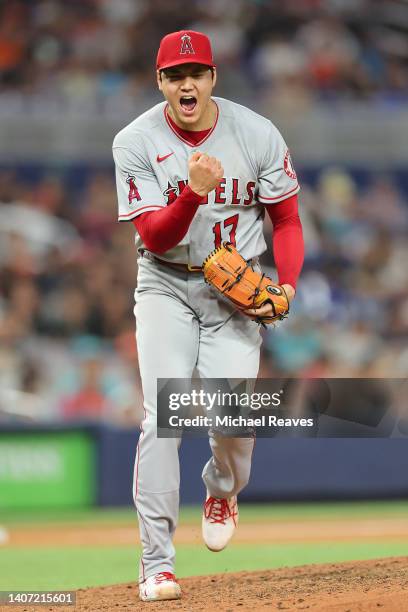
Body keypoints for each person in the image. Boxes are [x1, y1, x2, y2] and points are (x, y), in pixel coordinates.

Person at [113, 30, 304, 602]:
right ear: (161, 83)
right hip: (166, 284)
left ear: (213, 77)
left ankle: (222, 488)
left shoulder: (256, 132)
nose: (186, 83)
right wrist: (193, 193)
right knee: (162, 419)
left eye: (196, 72)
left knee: (235, 422)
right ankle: (157, 565)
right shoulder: (136, 140)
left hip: (235, 293)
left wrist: (288, 283)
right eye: (175, 75)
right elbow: (152, 232)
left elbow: (287, 220)